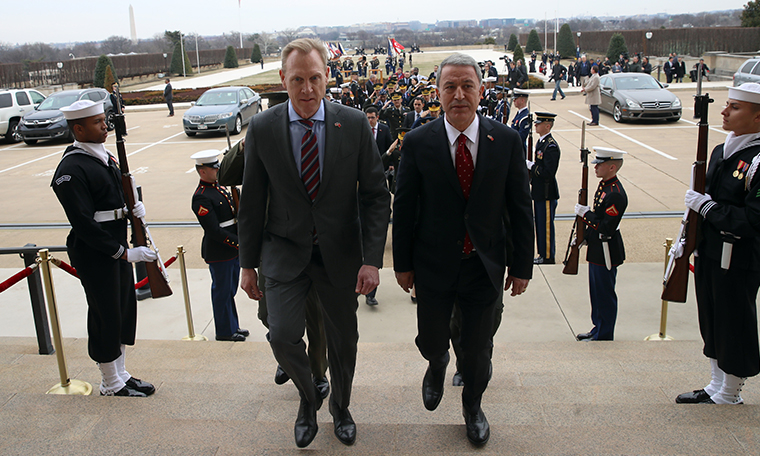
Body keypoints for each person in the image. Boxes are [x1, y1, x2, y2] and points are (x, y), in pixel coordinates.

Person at [238, 38, 390, 448]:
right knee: (282, 335)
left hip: (339, 255)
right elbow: (251, 201)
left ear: (327, 77)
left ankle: (341, 407)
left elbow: (376, 195)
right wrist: (247, 264)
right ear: (282, 80)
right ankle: (309, 398)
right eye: (297, 80)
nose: (307, 90)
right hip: (284, 251)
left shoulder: (354, 124)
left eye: (315, 79)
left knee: (344, 343)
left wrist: (372, 260)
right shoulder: (264, 128)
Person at [392, 53, 533, 446]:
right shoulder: (419, 142)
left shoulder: (505, 141)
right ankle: (436, 364)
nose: (459, 94)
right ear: (437, 93)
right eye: (450, 86)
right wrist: (402, 264)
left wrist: (522, 266)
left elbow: (521, 208)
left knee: (476, 353)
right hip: (433, 266)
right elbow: (403, 207)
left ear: (480, 91)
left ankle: (473, 405)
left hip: (482, 266)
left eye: (467, 85)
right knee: (432, 340)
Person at [51, 99, 156, 397]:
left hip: (115, 245)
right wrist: (123, 253)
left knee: (122, 311)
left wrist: (134, 205)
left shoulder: (102, 156)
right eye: (97, 122)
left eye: (103, 120)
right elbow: (84, 224)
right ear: (78, 129)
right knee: (105, 315)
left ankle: (121, 373)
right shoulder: (71, 169)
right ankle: (110, 382)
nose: (105, 126)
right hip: (96, 252)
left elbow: (117, 191)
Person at [216, 139, 330, 399]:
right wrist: (244, 147)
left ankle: (318, 373)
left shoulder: (319, 140)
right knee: (269, 315)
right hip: (277, 248)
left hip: (315, 247)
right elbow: (226, 176)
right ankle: (288, 355)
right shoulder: (263, 145)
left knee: (316, 320)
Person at [675, 82, 760, 405]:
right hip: (710, 250)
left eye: (735, 107)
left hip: (738, 256)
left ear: (757, 117)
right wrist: (688, 237)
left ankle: (731, 390)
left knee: (734, 321)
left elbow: (754, 219)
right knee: (711, 317)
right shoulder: (723, 150)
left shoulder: (757, 160)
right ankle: (715, 382)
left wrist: (708, 208)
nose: (725, 112)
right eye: (727, 104)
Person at [190, 150, 247, 342]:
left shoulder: (222, 189)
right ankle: (224, 331)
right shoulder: (201, 197)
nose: (217, 171)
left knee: (230, 290)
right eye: (213, 168)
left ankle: (233, 325)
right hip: (220, 249)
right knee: (222, 292)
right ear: (202, 171)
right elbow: (214, 230)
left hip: (232, 248)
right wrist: (237, 242)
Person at [574, 147, 628, 341]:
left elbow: (606, 227)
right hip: (598, 248)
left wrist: (585, 215)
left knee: (604, 294)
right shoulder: (605, 186)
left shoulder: (615, 194)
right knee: (596, 293)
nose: (595, 167)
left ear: (612, 167)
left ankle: (604, 334)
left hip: (606, 249)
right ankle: (597, 327)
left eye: (600, 164)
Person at [527, 113, 561, 265]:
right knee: (540, 224)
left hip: (547, 192)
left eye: (539, 123)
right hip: (540, 191)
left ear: (547, 125)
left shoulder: (551, 146)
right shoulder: (542, 143)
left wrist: (531, 166)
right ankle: (542, 253)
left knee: (546, 226)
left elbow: (548, 172)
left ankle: (547, 257)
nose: (536, 125)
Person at [511, 89, 531, 154]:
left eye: (516, 99)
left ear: (522, 100)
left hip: (519, 150)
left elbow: (521, 137)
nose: (514, 101)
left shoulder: (525, 117)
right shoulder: (520, 113)